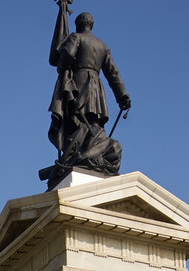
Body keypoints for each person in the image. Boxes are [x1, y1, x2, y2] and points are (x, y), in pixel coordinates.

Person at [47, 11, 131, 181]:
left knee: (75, 123)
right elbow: (113, 73)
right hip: (96, 89)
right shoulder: (102, 46)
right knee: (93, 123)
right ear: (91, 26)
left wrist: (62, 66)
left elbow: (68, 54)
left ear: (78, 25)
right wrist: (122, 96)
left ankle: (78, 155)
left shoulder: (75, 37)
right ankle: (86, 155)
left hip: (78, 84)